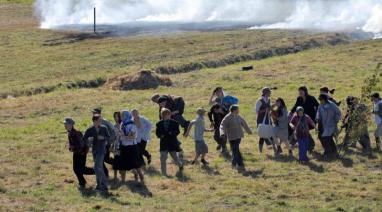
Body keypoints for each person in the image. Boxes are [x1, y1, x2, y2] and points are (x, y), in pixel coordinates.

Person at [220, 105, 253, 172]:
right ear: (234, 110)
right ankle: (240, 163)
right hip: (231, 137)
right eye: (237, 110)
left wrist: (249, 131)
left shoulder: (238, 116)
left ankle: (234, 163)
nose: (238, 111)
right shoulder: (227, 118)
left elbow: (244, 124)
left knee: (235, 149)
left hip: (238, 136)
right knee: (236, 150)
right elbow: (222, 126)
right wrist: (222, 133)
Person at [115, 110, 145, 183]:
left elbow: (133, 136)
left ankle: (142, 181)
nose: (120, 117)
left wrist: (123, 136)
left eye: (122, 116)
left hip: (132, 147)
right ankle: (123, 182)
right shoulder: (122, 124)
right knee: (122, 166)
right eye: (121, 116)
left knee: (136, 166)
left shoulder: (132, 125)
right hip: (123, 147)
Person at [64, 117, 94, 188]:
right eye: (64, 124)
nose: (64, 125)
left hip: (81, 153)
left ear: (71, 125)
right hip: (76, 153)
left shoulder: (76, 133)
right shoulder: (70, 133)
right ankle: (82, 183)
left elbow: (81, 145)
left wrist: (72, 147)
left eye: (66, 124)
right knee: (75, 169)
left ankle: (98, 171)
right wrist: (70, 148)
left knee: (82, 169)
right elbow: (72, 144)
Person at [83, 115, 110, 192]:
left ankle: (102, 185)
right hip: (94, 151)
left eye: (101, 120)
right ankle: (101, 186)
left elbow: (109, 138)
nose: (101, 121)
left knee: (97, 166)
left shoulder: (104, 128)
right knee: (98, 168)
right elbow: (84, 139)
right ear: (94, 121)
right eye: (99, 120)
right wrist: (88, 141)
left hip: (102, 150)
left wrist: (103, 138)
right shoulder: (90, 129)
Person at [156, 108, 184, 176]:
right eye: (165, 115)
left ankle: (180, 165)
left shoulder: (174, 123)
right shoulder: (159, 123)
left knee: (175, 158)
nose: (167, 116)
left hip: (172, 143)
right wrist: (160, 135)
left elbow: (177, 131)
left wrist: (172, 133)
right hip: (163, 143)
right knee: (163, 158)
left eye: (168, 114)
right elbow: (157, 133)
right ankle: (164, 174)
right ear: (162, 115)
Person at [91, 107, 116, 178]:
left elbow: (113, 131)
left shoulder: (105, 122)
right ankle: (106, 174)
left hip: (106, 144)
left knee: (105, 159)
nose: (93, 114)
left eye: (94, 112)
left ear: (99, 113)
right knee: (101, 160)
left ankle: (119, 164)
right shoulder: (93, 121)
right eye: (93, 113)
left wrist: (110, 141)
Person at [316, 94, 342, 158]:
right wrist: (317, 119)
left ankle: (328, 152)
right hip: (323, 125)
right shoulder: (320, 106)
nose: (320, 101)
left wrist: (336, 119)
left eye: (321, 99)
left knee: (326, 138)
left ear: (325, 99)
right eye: (319, 100)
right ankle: (333, 151)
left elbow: (338, 112)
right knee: (325, 137)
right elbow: (318, 113)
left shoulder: (332, 105)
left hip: (331, 124)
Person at [256, 87, 276, 154]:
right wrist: (265, 110)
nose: (270, 93)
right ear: (265, 93)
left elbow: (269, 108)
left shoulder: (269, 100)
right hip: (261, 120)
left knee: (271, 133)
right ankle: (260, 151)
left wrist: (273, 106)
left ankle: (275, 149)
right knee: (262, 135)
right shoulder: (259, 101)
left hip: (268, 119)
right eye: (269, 92)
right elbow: (257, 111)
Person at [111, 112, 123, 182]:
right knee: (116, 161)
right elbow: (113, 137)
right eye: (115, 117)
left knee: (122, 161)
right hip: (116, 146)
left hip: (123, 145)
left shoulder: (123, 125)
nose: (116, 118)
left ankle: (122, 176)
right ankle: (115, 177)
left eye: (117, 116)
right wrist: (112, 146)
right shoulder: (114, 126)